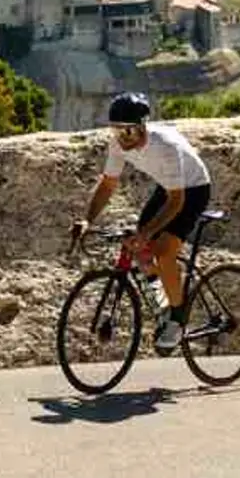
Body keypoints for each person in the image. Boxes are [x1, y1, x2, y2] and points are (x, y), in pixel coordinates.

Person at [72, 92, 212, 353]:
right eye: (117, 131)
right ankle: (163, 300)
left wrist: (147, 233)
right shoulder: (118, 144)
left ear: (142, 126)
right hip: (167, 187)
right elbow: (108, 183)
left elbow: (176, 203)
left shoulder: (166, 147)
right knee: (139, 246)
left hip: (192, 190)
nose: (123, 138)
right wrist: (87, 220)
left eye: (129, 132)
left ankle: (178, 319)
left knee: (164, 252)